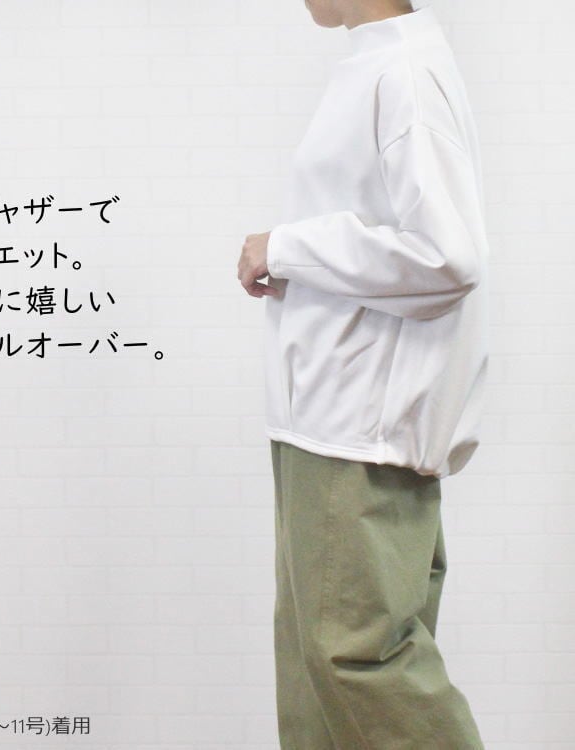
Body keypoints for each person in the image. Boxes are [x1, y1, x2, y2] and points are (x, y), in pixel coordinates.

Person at [236, 0, 489, 748]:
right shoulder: (381, 62)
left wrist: (288, 247)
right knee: (315, 674)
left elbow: (448, 256)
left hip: (357, 432)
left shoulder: (402, 70)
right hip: (328, 422)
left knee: (352, 660)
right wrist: (300, 263)